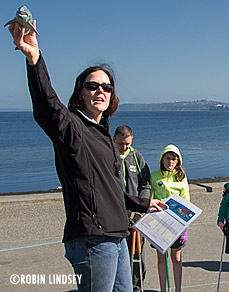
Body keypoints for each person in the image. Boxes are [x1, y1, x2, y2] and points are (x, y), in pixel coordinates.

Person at [7, 21, 167, 292]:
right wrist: (35, 60)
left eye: (106, 88)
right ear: (80, 93)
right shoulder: (73, 127)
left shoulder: (103, 134)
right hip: (93, 238)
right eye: (92, 86)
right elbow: (48, 109)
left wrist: (142, 203)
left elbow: (109, 188)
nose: (100, 92)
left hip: (118, 236)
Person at [113, 125, 151, 292]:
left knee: (137, 253)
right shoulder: (109, 156)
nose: (125, 147)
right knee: (119, 255)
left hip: (136, 214)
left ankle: (137, 286)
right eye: (121, 144)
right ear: (114, 140)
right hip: (115, 214)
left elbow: (146, 183)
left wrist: (141, 204)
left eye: (128, 144)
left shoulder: (136, 157)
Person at [150, 145, 189, 292]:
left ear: (178, 161)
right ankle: (163, 289)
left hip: (177, 222)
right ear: (162, 159)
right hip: (159, 222)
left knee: (176, 257)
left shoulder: (181, 177)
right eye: (167, 158)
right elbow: (149, 197)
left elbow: (186, 199)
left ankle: (178, 289)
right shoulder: (154, 176)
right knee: (161, 258)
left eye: (173, 159)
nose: (170, 161)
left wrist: (185, 219)